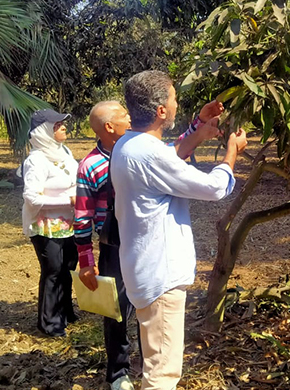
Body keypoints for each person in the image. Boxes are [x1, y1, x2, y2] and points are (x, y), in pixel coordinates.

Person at [74, 99, 226, 390]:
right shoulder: (92, 164)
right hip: (114, 245)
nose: (129, 118)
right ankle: (118, 372)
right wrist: (86, 262)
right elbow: (82, 216)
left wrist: (196, 126)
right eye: (122, 115)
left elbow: (170, 154)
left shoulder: (136, 148)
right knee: (116, 311)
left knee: (150, 314)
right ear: (108, 127)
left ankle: (149, 365)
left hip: (141, 240)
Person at [110, 70, 247, 390]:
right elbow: (213, 188)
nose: (176, 104)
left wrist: (198, 127)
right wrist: (232, 152)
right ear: (160, 111)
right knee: (162, 375)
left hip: (144, 270)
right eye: (173, 99)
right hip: (161, 276)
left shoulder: (127, 145)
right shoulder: (147, 153)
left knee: (156, 363)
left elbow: (170, 156)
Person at [22, 109, 79, 337]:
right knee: (53, 270)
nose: (63, 127)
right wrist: (69, 200)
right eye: (56, 125)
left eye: (62, 123)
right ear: (44, 131)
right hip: (45, 225)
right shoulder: (36, 160)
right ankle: (50, 322)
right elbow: (31, 197)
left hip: (68, 223)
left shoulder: (64, 152)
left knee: (68, 266)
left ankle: (65, 312)